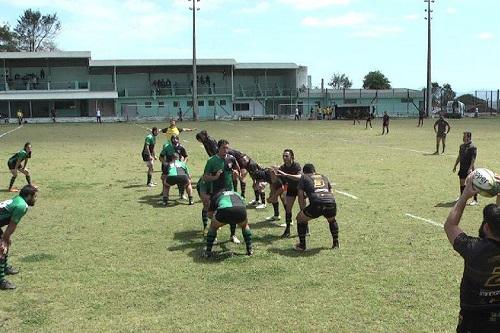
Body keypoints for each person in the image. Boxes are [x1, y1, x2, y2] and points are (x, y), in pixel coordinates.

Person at [444, 173, 500, 332]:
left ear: (487, 228)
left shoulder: (474, 249)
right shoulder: (475, 248)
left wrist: (465, 195)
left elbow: (450, 226)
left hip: (473, 317)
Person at [0, 185, 38, 290]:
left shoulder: (18, 199)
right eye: (34, 196)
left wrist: (6, 238)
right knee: (2, 249)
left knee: (5, 243)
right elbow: (12, 224)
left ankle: (4, 268)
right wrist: (5, 239)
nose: (36, 199)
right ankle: (1, 281)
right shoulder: (22, 206)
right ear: (29, 196)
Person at [294, 163, 339, 252]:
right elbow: (331, 191)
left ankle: (302, 246)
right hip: (330, 202)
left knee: (299, 219)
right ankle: (336, 243)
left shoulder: (304, 177)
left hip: (317, 203)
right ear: (314, 171)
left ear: (304, 172)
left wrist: (302, 209)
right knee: (332, 220)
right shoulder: (323, 176)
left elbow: (300, 195)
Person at [203, 139, 241, 243]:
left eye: (227, 148)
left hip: (229, 190)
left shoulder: (231, 159)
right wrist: (215, 177)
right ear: (218, 148)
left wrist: (236, 175)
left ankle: (233, 235)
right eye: (223, 148)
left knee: (232, 212)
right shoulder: (211, 161)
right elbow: (205, 177)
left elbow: (237, 171)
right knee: (212, 214)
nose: (226, 150)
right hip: (216, 191)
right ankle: (213, 235)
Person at [203, 190, 253, 258]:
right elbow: (243, 205)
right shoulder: (236, 193)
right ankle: (249, 249)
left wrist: (217, 218)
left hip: (224, 210)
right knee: (245, 226)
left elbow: (209, 215)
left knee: (213, 227)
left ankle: (208, 251)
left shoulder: (216, 195)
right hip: (240, 210)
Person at [273, 149, 302, 238]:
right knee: (288, 210)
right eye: (283, 156)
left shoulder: (296, 165)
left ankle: (305, 229)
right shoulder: (282, 168)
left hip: (300, 189)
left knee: (302, 210)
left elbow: (299, 177)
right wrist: (274, 174)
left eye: (286, 156)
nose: (284, 158)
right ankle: (287, 230)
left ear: (291, 157)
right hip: (291, 189)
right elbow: (278, 181)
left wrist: (285, 175)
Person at [453, 131, 478, 205]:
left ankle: (475, 200)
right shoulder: (461, 146)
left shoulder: (473, 147)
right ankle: (462, 197)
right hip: (462, 167)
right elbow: (459, 156)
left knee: (472, 184)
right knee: (462, 182)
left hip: (469, 168)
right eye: (463, 136)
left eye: (465, 136)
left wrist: (470, 168)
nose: (463, 138)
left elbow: (473, 159)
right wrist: (455, 165)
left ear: (469, 137)